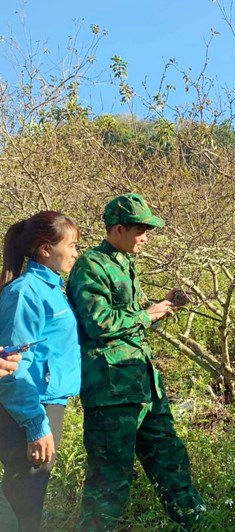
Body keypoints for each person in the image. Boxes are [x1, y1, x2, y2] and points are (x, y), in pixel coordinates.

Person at [67, 193, 204, 531]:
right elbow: (97, 323)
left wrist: (164, 306)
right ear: (117, 229)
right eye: (141, 230)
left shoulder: (126, 264)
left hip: (144, 385)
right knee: (109, 482)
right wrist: (146, 313)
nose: (146, 237)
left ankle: (198, 523)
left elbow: (132, 320)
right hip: (111, 391)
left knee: (171, 461)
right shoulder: (91, 266)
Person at [0, 211, 82, 531]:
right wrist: (35, 424)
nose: (75, 252)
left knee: (30, 496)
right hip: (30, 407)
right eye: (71, 245)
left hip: (47, 401)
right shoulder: (25, 292)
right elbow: (13, 368)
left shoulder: (50, 288)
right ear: (46, 249)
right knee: (23, 499)